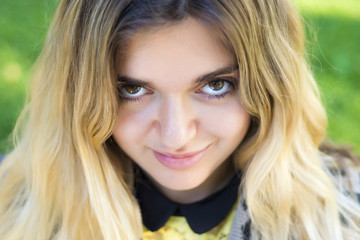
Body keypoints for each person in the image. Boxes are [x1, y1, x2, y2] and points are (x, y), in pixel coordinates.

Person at [0, 0, 359, 239]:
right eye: (132, 90)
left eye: (216, 85)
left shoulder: (344, 218)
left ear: (271, 85)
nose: (175, 135)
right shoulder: (12, 210)